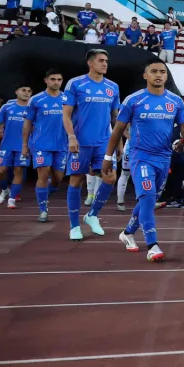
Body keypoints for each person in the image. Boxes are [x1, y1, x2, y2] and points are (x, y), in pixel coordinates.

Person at [102, 59, 184, 262]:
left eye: (162, 71)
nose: (158, 75)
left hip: (164, 158)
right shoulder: (133, 100)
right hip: (140, 156)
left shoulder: (175, 101)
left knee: (149, 200)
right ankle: (153, 245)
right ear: (146, 75)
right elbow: (118, 129)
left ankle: (127, 233)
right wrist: (108, 157)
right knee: (147, 197)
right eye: (154, 71)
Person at [63, 49, 121, 241]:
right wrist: (71, 136)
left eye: (106, 61)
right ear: (90, 62)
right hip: (81, 142)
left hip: (104, 142)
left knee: (110, 178)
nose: (105, 64)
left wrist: (119, 141)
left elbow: (115, 119)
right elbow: (66, 114)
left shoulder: (113, 87)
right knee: (76, 180)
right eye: (101, 60)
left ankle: (92, 215)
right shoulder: (75, 84)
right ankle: (74, 226)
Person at [22, 70, 68, 223]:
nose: (56, 82)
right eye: (53, 79)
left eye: (59, 79)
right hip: (41, 144)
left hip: (62, 145)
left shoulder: (68, 99)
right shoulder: (36, 100)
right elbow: (28, 122)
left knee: (57, 179)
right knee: (43, 174)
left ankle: (47, 194)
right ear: (46, 80)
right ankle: (43, 210)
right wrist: (24, 144)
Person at [0, 86, 32, 208]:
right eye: (24, 90)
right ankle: (5, 190)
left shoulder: (32, 109)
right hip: (6, 145)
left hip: (23, 146)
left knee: (18, 171)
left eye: (29, 91)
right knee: (1, 171)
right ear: (16, 92)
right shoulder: (7, 107)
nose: (26, 93)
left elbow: (35, 128)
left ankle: (12, 198)